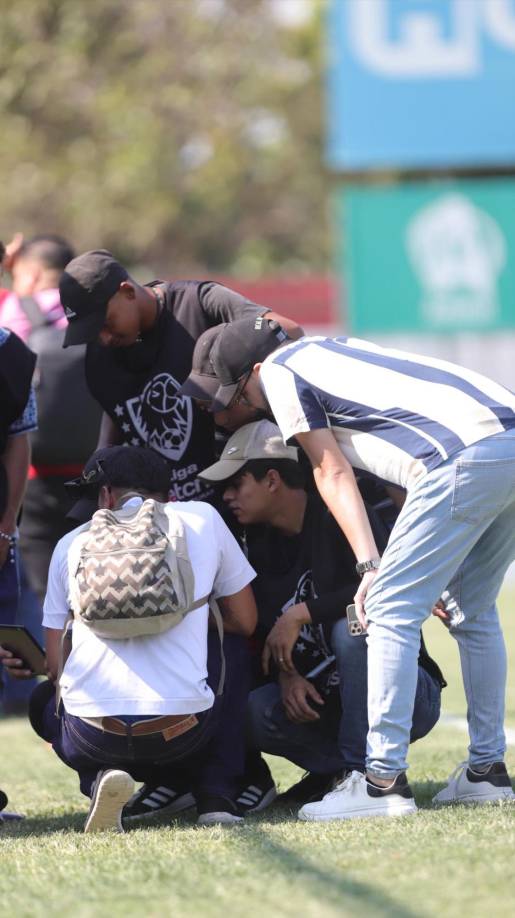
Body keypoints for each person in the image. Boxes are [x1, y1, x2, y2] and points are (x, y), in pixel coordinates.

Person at [179, 318, 515, 819]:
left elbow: (330, 470)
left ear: (255, 371)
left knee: (385, 610)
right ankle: (487, 771)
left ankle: (381, 782)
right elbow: (398, 455)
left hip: (456, 456)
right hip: (504, 436)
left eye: (236, 392)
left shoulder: (280, 373)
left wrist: (370, 564)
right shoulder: (329, 350)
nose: (238, 404)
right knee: (472, 609)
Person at [2, 446, 258, 832]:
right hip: (182, 730)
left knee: (43, 701)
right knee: (231, 647)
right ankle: (215, 796)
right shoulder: (202, 518)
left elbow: (55, 667)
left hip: (92, 735)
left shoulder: (71, 543)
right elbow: (246, 620)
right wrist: (179, 617)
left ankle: (99, 777)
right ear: (169, 493)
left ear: (105, 494)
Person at [198, 420, 443, 807]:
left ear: (272, 479)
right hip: (326, 697)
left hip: (407, 692)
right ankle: (336, 776)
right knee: (256, 712)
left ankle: (362, 773)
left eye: (236, 483)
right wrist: (286, 674)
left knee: (353, 631)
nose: (227, 496)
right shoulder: (255, 542)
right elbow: (264, 630)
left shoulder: (339, 514)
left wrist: (300, 613)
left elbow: (382, 590)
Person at [59, 249, 303, 507]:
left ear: (127, 292)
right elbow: (118, 404)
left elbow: (289, 332)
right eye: (92, 332)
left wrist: (239, 386)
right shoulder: (103, 353)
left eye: (106, 323)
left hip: (240, 497)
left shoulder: (198, 303)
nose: (104, 338)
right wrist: (103, 452)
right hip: (164, 514)